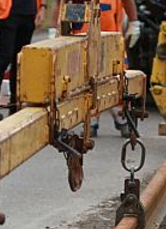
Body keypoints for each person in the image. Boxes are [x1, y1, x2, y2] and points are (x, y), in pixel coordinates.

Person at [51, 0, 142, 136]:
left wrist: (134, 23)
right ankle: (91, 119)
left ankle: (121, 117)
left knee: (117, 77)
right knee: (87, 80)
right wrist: (54, 28)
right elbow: (60, 3)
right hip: (83, 37)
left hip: (111, 39)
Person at [0, 0, 46, 123]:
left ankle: (14, 104)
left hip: (29, 12)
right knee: (5, 57)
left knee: (20, 60)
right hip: (8, 12)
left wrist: (43, 7)